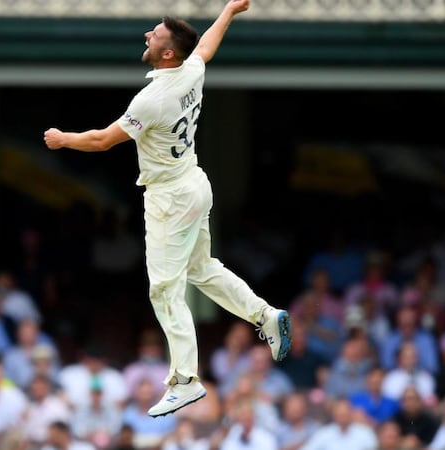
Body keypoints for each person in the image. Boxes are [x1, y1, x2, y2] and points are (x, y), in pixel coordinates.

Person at [42, 0, 290, 418]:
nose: (147, 36)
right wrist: (228, 11)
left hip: (169, 198)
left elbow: (103, 141)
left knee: (164, 288)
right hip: (194, 183)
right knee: (202, 270)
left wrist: (64, 139)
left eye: (154, 35)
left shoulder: (151, 98)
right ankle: (265, 315)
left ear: (168, 53)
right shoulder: (191, 69)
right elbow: (206, 48)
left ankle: (185, 381)